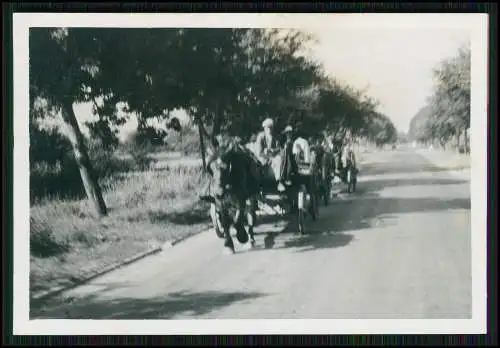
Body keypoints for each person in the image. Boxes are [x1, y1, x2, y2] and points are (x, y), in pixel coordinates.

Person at [255, 118, 287, 192]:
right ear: (264, 128)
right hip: (262, 158)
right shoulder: (261, 136)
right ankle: (258, 184)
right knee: (257, 163)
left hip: (272, 158)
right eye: (268, 127)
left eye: (271, 127)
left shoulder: (275, 137)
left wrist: (273, 151)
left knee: (279, 159)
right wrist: (267, 157)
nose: (269, 129)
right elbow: (259, 152)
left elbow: (278, 148)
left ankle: (279, 181)